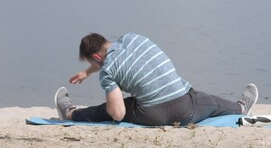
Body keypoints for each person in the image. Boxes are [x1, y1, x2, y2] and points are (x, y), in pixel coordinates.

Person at [55, 32, 258, 126]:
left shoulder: (107, 73)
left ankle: (71, 113)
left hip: (151, 116)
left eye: (93, 64)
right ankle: (240, 108)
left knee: (109, 108)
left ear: (97, 58)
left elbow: (118, 115)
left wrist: (110, 99)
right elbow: (116, 59)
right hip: (186, 111)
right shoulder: (133, 38)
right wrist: (88, 72)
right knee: (211, 102)